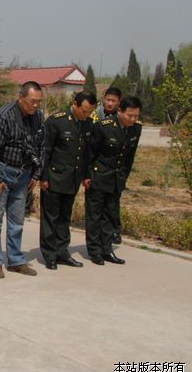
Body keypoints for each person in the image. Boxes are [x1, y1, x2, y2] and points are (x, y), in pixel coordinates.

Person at [0, 81, 45, 278]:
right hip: (3, 172)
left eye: (38, 102)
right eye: (32, 101)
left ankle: (15, 260)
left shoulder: (38, 117)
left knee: (17, 221)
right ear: (21, 97)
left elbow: (41, 146)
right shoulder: (5, 115)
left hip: (24, 175)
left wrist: (36, 174)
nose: (35, 105)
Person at [39, 91, 97, 270]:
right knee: (51, 217)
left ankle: (62, 251)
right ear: (75, 104)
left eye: (90, 112)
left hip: (73, 179)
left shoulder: (88, 124)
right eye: (84, 111)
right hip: (54, 177)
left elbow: (86, 153)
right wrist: (43, 177)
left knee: (65, 217)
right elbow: (45, 151)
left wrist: (86, 175)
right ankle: (50, 254)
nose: (86, 114)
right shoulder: (57, 121)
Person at [85, 96, 142, 266]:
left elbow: (129, 157)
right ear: (120, 111)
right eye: (130, 115)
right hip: (98, 176)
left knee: (110, 215)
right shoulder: (103, 127)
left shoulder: (135, 130)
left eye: (136, 116)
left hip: (116, 179)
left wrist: (124, 177)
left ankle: (107, 249)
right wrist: (87, 175)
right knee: (95, 215)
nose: (133, 119)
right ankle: (94, 250)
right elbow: (90, 153)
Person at [90, 86, 123, 242]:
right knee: (96, 208)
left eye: (113, 101)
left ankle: (113, 232)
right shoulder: (95, 115)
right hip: (97, 168)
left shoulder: (122, 118)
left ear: (119, 102)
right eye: (107, 100)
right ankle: (96, 241)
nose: (109, 103)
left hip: (114, 170)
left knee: (112, 205)